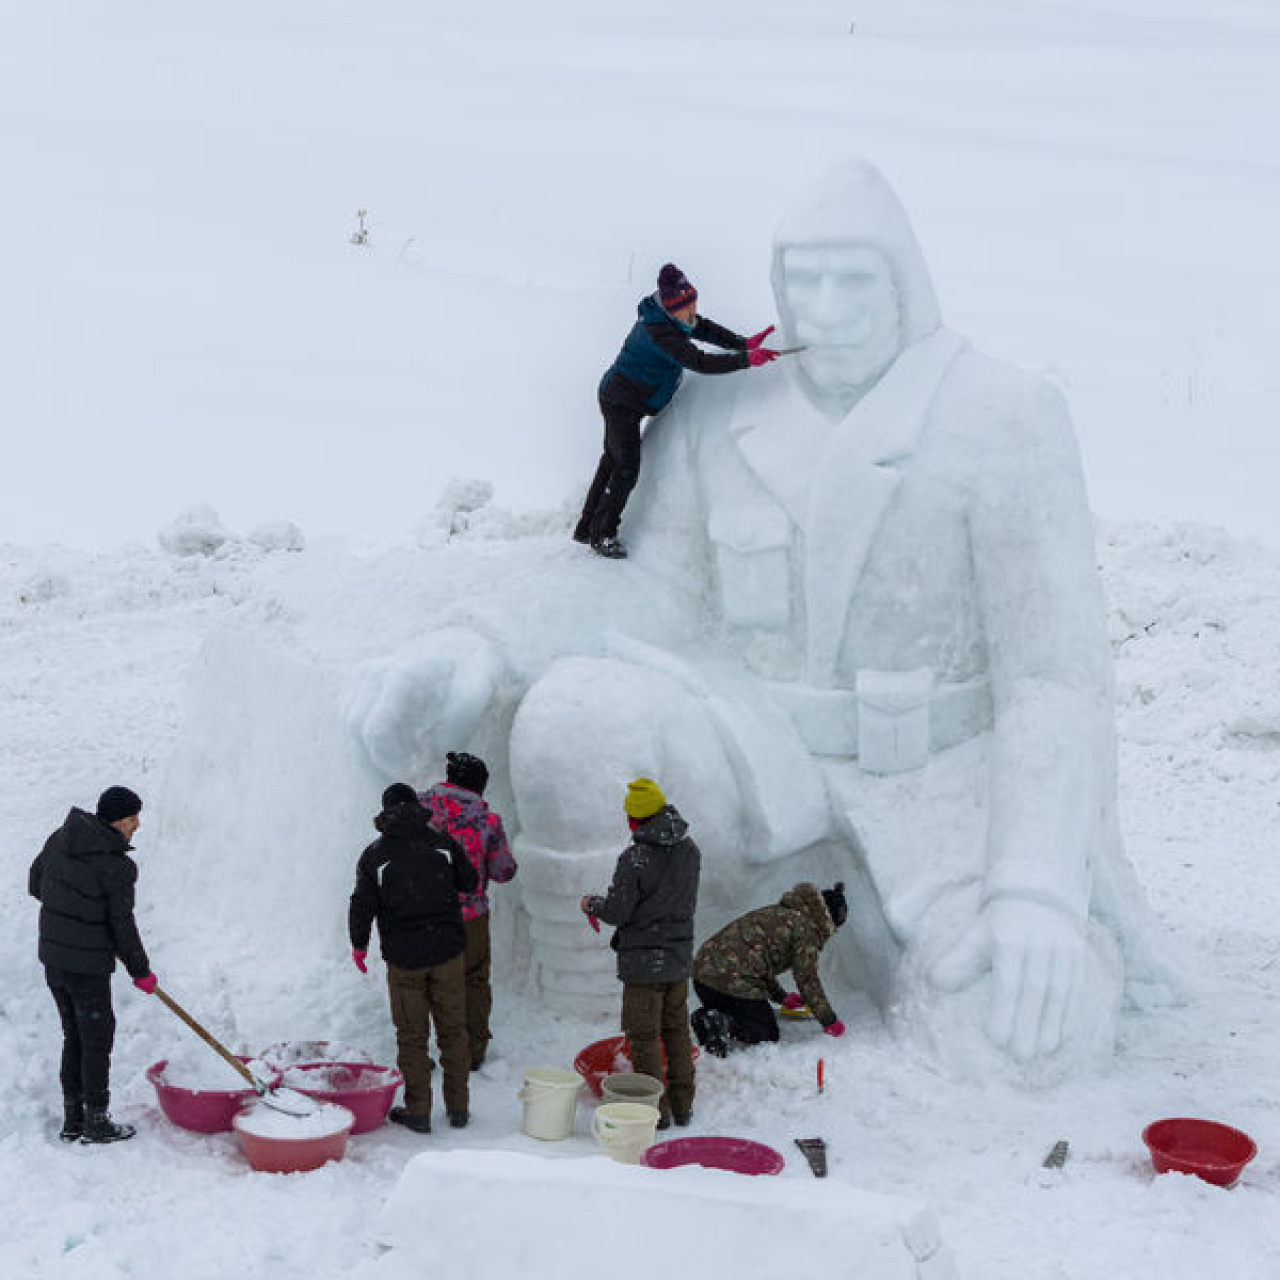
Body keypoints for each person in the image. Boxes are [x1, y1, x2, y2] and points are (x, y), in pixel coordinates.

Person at [346, 157, 1180, 1079]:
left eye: (854, 275)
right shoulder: (722, 408)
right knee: (577, 712)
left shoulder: (1004, 417)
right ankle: (600, 1026)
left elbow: (1051, 676)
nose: (826, 303)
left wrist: (1036, 889)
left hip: (936, 785)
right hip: (758, 750)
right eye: (804, 276)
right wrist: (484, 641)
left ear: (906, 281)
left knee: (1025, 1041)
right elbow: (649, 584)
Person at [572, 262, 778, 559]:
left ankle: (586, 527)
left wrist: (742, 343)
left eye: (694, 301)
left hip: (632, 396)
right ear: (671, 307)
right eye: (688, 305)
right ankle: (602, 534)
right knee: (625, 468)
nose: (693, 309)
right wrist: (746, 360)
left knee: (612, 462)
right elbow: (700, 362)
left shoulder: (676, 317)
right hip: (620, 402)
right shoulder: (660, 333)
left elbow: (703, 328)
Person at [28, 786, 159, 1144]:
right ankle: (97, 1121)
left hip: (54, 960)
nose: (137, 825)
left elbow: (36, 883)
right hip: (86, 967)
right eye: (133, 818)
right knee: (97, 1039)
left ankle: (74, 1119)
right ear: (117, 819)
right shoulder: (116, 866)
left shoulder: (61, 839)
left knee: (75, 1035)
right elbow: (122, 926)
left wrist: (71, 909)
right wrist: (140, 972)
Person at [349, 782, 478, 1133]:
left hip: (405, 959)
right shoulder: (442, 844)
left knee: (411, 1036)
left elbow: (362, 906)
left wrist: (359, 945)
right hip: (448, 952)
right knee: (453, 1031)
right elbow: (469, 882)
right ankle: (459, 1107)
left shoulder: (375, 855)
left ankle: (418, 1110)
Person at [580, 778, 700, 1129]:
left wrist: (592, 904)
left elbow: (618, 912)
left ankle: (655, 1110)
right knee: (676, 1031)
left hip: (642, 964)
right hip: (677, 957)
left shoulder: (634, 859)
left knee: (644, 1036)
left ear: (636, 819)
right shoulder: (690, 849)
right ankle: (683, 1104)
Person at [419, 751, 516, 1070]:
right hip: (471, 916)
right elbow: (503, 871)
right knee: (473, 981)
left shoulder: (419, 808)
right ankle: (472, 1051)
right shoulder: (487, 821)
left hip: (425, 913)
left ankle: (432, 1050)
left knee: (428, 981)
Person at [691, 882, 847, 1056]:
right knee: (766, 1032)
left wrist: (781, 997)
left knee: (741, 1007)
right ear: (829, 921)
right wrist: (828, 1020)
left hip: (703, 979)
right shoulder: (806, 929)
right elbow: (807, 978)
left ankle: (705, 1018)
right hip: (729, 983)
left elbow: (757, 963)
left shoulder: (779, 913)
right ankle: (721, 1022)